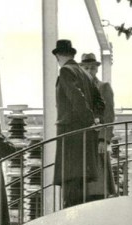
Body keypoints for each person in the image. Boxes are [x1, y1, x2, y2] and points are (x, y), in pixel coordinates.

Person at [52, 39, 105, 208]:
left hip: (70, 136)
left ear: (58, 56)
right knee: (79, 182)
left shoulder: (66, 71)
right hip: (85, 138)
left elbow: (76, 99)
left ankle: (68, 222)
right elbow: (100, 103)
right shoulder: (86, 75)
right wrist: (95, 120)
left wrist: (89, 120)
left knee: (69, 182)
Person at [80, 52, 116, 199]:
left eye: (92, 68)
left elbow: (108, 114)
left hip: (96, 140)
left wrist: (103, 138)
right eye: (86, 68)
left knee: (98, 180)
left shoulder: (103, 87)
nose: (89, 71)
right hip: (81, 140)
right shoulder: (77, 89)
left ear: (96, 70)